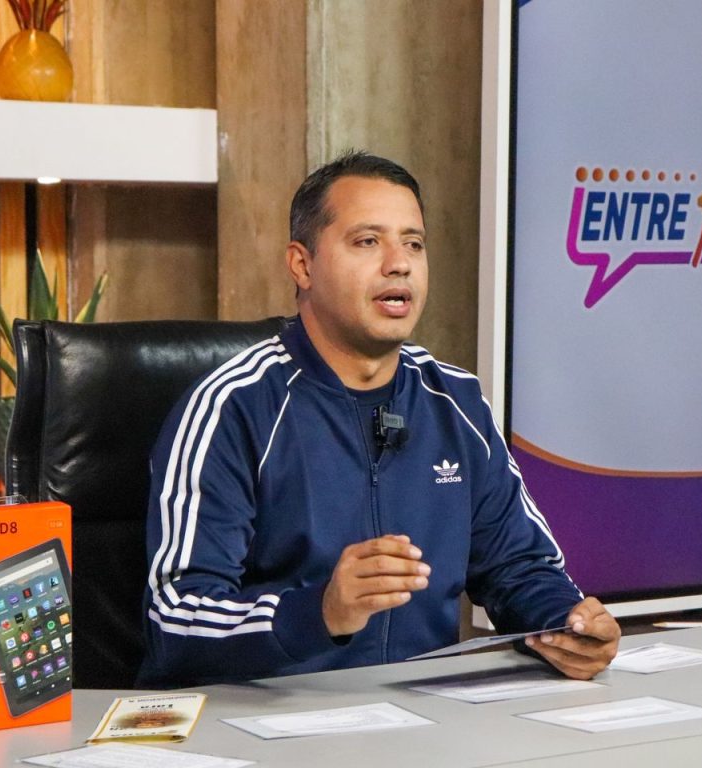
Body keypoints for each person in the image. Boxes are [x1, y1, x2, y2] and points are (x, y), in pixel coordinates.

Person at [138, 150, 620, 687]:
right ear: (302, 265)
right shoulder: (233, 406)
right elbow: (176, 621)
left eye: (413, 243)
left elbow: (520, 567)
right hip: (269, 715)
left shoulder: (454, 400)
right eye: (368, 242)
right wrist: (320, 612)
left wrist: (567, 623)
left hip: (421, 713)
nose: (399, 264)